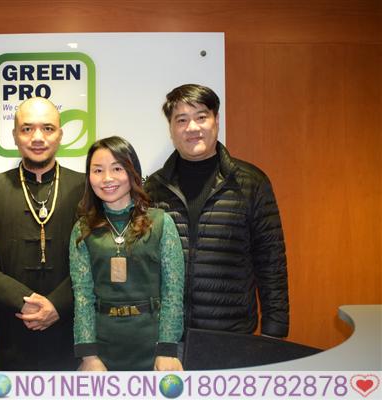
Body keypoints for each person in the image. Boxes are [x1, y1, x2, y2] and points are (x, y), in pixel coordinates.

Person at [144, 84, 289, 345]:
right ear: (171, 129)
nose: (192, 127)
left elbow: (271, 261)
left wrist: (274, 330)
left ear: (216, 120)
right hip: (166, 337)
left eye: (201, 117)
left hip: (230, 336)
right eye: (181, 120)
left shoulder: (251, 183)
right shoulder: (154, 187)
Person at [0, 97, 85, 370]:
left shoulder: (84, 187)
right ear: (15, 135)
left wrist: (58, 305)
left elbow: (95, 259)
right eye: (27, 129)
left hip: (69, 331)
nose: (38, 137)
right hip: (10, 330)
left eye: (48, 128)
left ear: (60, 135)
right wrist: (22, 302)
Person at [70, 136, 185, 371]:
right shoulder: (82, 229)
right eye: (98, 170)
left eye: (117, 168)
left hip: (153, 347)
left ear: (132, 172)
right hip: (102, 350)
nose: (107, 178)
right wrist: (88, 355)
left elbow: (173, 292)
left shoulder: (161, 222)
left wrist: (167, 349)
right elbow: (82, 297)